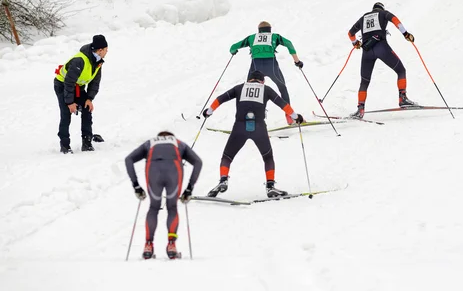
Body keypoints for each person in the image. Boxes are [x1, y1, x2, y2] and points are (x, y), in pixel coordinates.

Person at [201, 71, 305, 198]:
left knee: (227, 157)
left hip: (240, 127)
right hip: (259, 127)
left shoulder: (239, 88)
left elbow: (220, 99)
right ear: (262, 81)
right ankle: (270, 187)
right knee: (267, 157)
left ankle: (223, 180)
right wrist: (296, 117)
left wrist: (209, 112)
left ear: (248, 80)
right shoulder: (266, 89)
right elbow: (283, 104)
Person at [124, 131, 203, 260]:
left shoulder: (150, 143)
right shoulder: (179, 144)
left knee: (154, 207)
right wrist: (189, 188)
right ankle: (171, 245)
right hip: (174, 171)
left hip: (153, 172)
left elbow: (129, 159)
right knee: (172, 207)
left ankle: (148, 245)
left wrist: (136, 185)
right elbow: (198, 162)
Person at [347, 2, 416, 118]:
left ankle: (360, 109)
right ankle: (402, 98)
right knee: (400, 70)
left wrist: (355, 43)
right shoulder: (383, 13)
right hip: (381, 48)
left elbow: (350, 33)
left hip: (367, 51)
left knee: (364, 81)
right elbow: (395, 20)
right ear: (381, 8)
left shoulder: (363, 18)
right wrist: (405, 34)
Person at [230, 21, 303, 125]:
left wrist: (233, 52)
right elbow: (289, 44)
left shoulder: (252, 38)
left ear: (259, 30)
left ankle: (249, 118)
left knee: (250, 92)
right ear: (270, 30)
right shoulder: (274, 37)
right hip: (272, 66)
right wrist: (297, 61)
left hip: (256, 68)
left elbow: (233, 47)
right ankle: (289, 116)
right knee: (282, 88)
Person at [53, 35, 107, 153]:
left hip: (78, 87)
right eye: (106, 50)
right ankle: (65, 145)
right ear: (100, 50)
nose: (107, 52)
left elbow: (95, 83)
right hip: (63, 86)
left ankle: (87, 142)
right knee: (66, 113)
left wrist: (89, 99)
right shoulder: (80, 60)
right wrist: (70, 102)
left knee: (87, 108)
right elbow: (69, 82)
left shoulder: (98, 62)